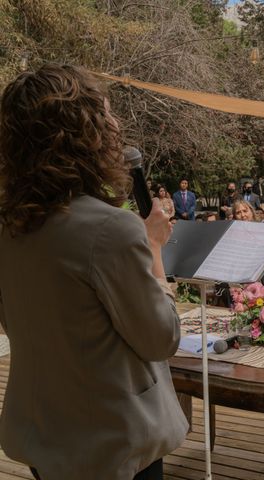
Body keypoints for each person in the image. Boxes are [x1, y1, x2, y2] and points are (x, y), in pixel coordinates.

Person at [0, 64, 187, 480]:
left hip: (44, 435)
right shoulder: (110, 228)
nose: (118, 125)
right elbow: (161, 338)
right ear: (83, 136)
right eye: (106, 115)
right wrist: (153, 246)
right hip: (113, 441)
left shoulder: (9, 226)